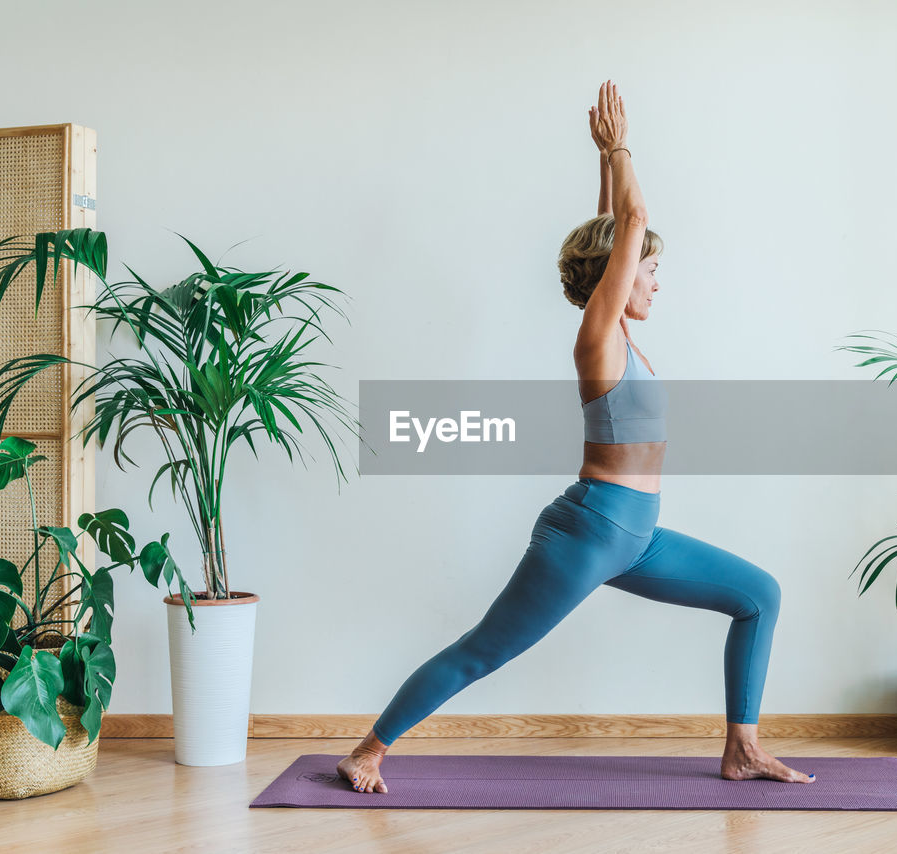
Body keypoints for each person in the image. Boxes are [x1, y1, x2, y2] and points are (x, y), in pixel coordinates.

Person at [338, 81, 814, 794]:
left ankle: (742, 749)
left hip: (638, 535)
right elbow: (630, 222)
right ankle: (367, 750)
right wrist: (623, 147)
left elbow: (611, 231)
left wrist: (603, 164)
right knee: (482, 652)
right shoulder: (598, 338)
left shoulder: (618, 330)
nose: (656, 283)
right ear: (618, 281)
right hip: (590, 532)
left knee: (759, 594)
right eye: (649, 270)